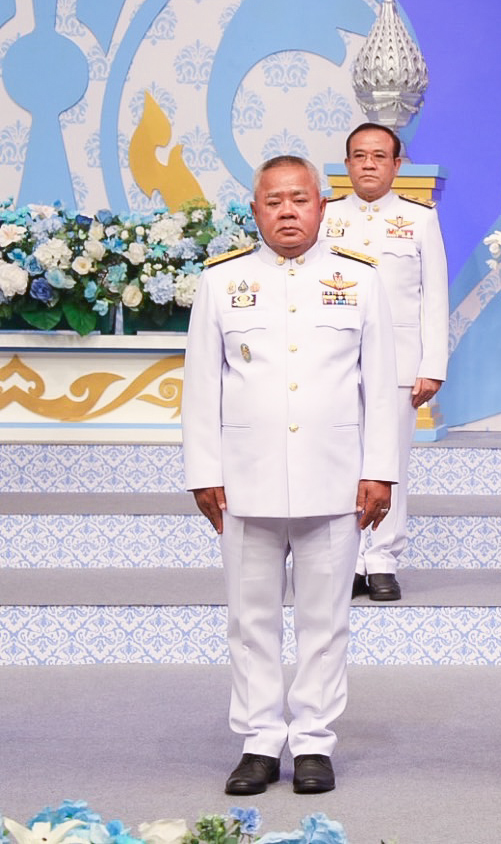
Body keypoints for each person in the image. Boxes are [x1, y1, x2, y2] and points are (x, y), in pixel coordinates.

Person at [182, 154, 400, 796]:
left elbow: (380, 386)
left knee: (323, 622)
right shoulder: (221, 281)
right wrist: (204, 471)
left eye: (299, 200)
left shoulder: (359, 279)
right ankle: (258, 741)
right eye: (273, 201)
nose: (287, 212)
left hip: (334, 479)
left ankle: (311, 742)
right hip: (243, 481)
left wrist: (380, 470)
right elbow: (201, 386)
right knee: (250, 620)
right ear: (255, 210)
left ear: (321, 207)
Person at [323, 121, 449, 602]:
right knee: (342, 460)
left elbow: (433, 294)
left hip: (399, 363)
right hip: (336, 362)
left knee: (388, 462)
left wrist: (432, 364)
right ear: (347, 164)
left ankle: (382, 560)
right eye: (359, 156)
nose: (369, 164)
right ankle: (349, 560)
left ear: (396, 165)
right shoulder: (326, 215)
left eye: (379, 156)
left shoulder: (419, 218)